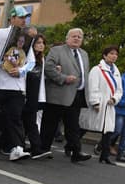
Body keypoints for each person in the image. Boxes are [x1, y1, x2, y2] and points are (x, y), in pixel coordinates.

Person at [39, 28, 91, 162]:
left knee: (73, 126)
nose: (76, 38)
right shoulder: (57, 51)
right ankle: (43, 149)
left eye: (79, 37)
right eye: (74, 36)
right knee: (50, 124)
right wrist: (63, 78)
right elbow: (49, 68)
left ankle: (76, 152)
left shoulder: (84, 54)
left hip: (77, 95)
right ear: (67, 38)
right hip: (58, 93)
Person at [0, 6, 33, 161]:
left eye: (25, 18)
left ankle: (17, 148)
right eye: (20, 17)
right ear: (12, 18)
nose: (23, 20)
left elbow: (31, 62)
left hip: (16, 85)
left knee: (15, 117)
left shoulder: (27, 38)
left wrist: (21, 70)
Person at [82, 45, 123, 165]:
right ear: (105, 55)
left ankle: (104, 156)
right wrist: (95, 102)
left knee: (108, 131)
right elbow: (92, 87)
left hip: (109, 105)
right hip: (99, 103)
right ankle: (71, 146)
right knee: (85, 126)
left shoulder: (116, 71)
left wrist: (115, 99)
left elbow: (119, 89)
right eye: (111, 53)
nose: (114, 56)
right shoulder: (97, 69)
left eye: (116, 54)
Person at [22, 34, 51, 159]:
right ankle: (16, 145)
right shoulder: (27, 57)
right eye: (38, 43)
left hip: (35, 94)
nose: (41, 45)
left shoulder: (41, 59)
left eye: (43, 43)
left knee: (31, 122)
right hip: (24, 93)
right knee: (23, 121)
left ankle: (36, 148)